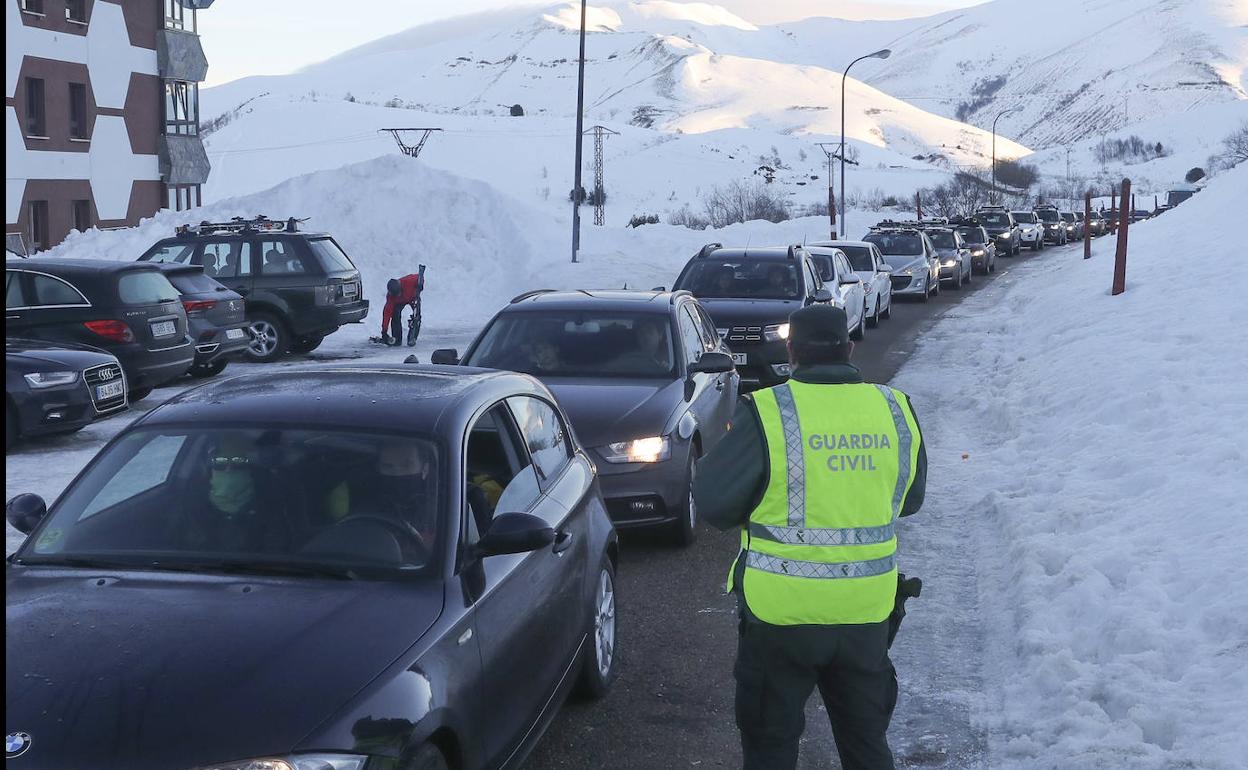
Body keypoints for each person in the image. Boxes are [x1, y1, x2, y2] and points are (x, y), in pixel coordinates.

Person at [693, 304, 927, 770]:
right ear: (850, 347)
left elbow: (714, 502)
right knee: (866, 744)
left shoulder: (768, 411)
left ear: (791, 351)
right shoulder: (894, 409)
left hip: (781, 616)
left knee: (770, 745)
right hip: (866, 614)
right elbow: (910, 498)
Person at [380, 270, 425, 346]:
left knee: (416, 316)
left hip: (413, 298)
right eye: (396, 294)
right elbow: (387, 313)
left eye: (399, 292)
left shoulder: (409, 281)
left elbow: (420, 277)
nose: (398, 295)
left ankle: (412, 337)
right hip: (399, 303)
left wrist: (420, 285)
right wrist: (384, 331)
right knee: (395, 315)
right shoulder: (391, 297)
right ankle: (397, 339)